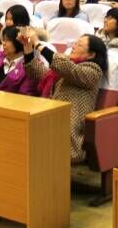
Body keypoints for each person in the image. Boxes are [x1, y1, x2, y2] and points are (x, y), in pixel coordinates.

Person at [22, 29, 106, 162]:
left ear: (91, 54)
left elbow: (68, 69)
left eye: (79, 45)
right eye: (75, 43)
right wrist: (28, 48)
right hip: (52, 121)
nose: (74, 46)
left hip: (68, 134)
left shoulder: (93, 72)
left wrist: (37, 43)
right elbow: (40, 73)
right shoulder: (66, 66)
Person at [0, 25, 36, 95]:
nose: (3, 43)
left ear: (19, 42)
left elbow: (25, 94)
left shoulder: (29, 66)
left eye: (7, 40)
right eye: (3, 40)